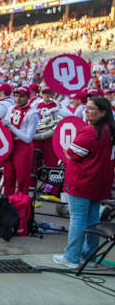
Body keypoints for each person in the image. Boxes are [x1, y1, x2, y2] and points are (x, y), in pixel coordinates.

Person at [53, 96, 115, 268]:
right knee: (92, 219)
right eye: (86, 107)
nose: (86, 111)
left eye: (91, 108)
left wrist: (67, 150)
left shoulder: (90, 131)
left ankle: (72, 257)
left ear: (102, 112)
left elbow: (72, 154)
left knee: (78, 219)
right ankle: (89, 258)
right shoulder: (111, 130)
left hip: (83, 180)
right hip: (100, 182)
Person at [2, 87, 40, 196]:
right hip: (10, 145)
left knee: (22, 179)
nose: (18, 99)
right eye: (16, 96)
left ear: (28, 97)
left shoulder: (33, 113)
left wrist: (11, 127)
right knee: (8, 177)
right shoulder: (11, 109)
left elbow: (28, 138)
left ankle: (21, 205)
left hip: (23, 147)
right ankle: (7, 204)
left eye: (22, 96)